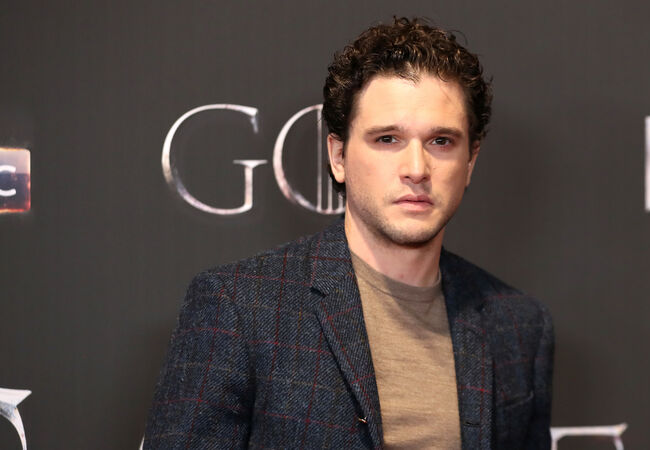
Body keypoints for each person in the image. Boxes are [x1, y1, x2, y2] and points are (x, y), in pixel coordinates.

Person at [144, 17, 553, 449]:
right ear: (338, 156)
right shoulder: (239, 307)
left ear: (470, 162)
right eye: (388, 139)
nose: (417, 169)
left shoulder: (519, 326)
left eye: (441, 142)